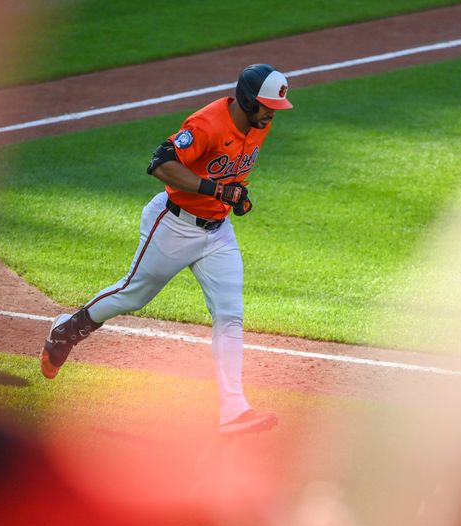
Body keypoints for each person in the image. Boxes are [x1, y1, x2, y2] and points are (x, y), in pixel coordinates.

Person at [38, 64, 293, 435]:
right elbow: (160, 165)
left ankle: (234, 409)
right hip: (173, 225)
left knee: (230, 313)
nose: (271, 114)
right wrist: (216, 190)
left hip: (218, 233)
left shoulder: (259, 124)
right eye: (266, 106)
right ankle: (66, 330)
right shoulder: (207, 123)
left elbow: (229, 173)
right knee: (131, 295)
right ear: (247, 99)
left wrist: (233, 195)